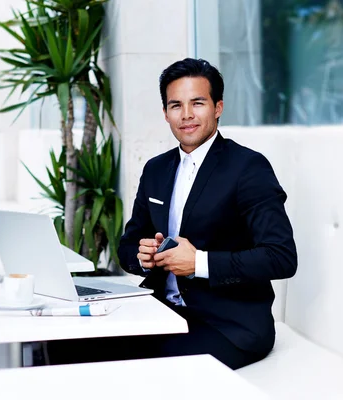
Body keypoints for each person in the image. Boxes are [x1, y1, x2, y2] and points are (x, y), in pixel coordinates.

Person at [47, 58, 298, 370]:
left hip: (229, 325)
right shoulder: (156, 169)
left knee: (128, 366)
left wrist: (198, 263)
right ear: (165, 113)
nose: (187, 114)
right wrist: (142, 257)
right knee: (63, 345)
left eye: (198, 103)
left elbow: (281, 256)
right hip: (160, 309)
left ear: (218, 108)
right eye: (176, 105)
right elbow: (127, 245)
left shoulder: (248, 168)